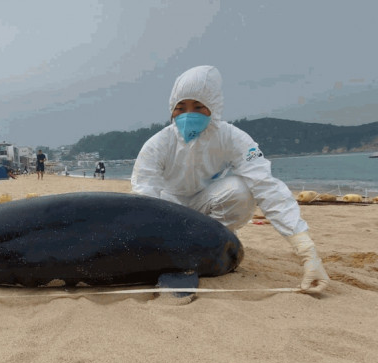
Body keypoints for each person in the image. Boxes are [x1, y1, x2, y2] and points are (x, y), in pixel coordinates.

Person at [131, 65, 329, 294]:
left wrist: (307, 252)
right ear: (171, 109)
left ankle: (211, 246)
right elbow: (145, 195)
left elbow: (266, 187)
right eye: (180, 107)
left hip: (206, 206)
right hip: (168, 208)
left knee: (242, 190)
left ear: (213, 107)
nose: (188, 114)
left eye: (198, 106)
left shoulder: (233, 138)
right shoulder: (158, 144)